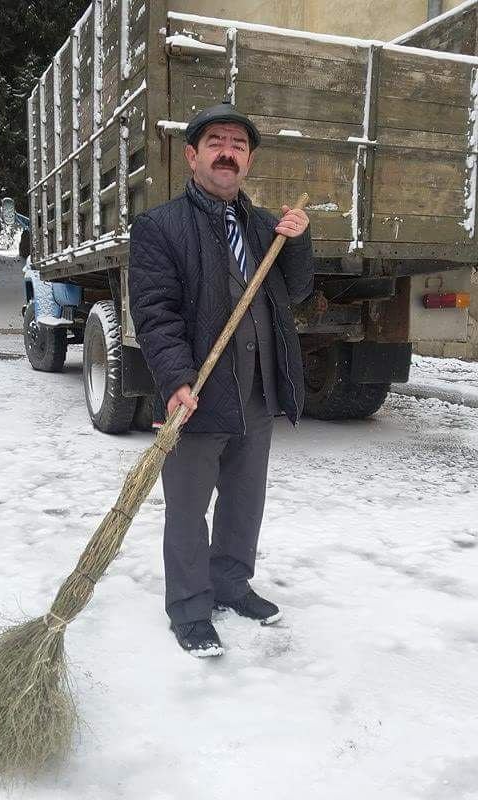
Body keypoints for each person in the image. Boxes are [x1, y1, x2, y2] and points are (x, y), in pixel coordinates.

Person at [128, 101, 313, 657]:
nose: (226, 152)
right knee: (188, 503)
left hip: (257, 389)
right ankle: (189, 605)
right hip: (200, 391)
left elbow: (296, 291)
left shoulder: (263, 227)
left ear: (249, 160)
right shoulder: (160, 226)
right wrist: (176, 379)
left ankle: (231, 583)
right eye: (215, 143)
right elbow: (155, 312)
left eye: (237, 145)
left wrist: (298, 240)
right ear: (192, 156)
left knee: (243, 497)